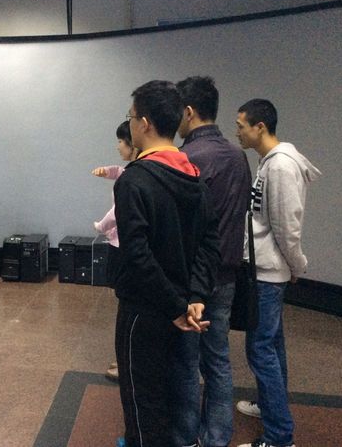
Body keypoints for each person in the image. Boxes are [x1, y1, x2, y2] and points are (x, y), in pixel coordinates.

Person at [114, 80, 221, 447]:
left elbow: (137, 255)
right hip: (183, 308)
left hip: (144, 311)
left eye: (130, 117)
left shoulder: (135, 180)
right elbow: (209, 244)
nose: (130, 124)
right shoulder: (193, 176)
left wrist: (176, 306)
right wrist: (194, 297)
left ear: (144, 123)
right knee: (171, 395)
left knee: (141, 403)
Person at [234, 99, 321, 447]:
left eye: (241, 126)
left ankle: (279, 437)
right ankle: (271, 406)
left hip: (269, 274)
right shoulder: (268, 162)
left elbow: (287, 227)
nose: (237, 132)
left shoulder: (281, 167)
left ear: (260, 127)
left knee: (260, 350)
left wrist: (297, 265)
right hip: (265, 269)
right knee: (271, 345)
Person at [171, 76, 252, 447]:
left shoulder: (186, 158)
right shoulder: (238, 157)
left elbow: (179, 226)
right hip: (227, 275)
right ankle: (217, 438)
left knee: (186, 362)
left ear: (188, 112)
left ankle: (186, 437)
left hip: (192, 280)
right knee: (218, 360)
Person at [91, 121, 139, 381]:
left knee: (127, 309)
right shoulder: (133, 170)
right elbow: (118, 172)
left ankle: (127, 363)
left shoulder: (134, 175)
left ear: (133, 144)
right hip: (125, 246)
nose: (118, 146)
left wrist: (101, 226)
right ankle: (125, 359)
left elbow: (117, 211)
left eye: (121, 142)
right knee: (126, 308)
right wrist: (105, 171)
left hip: (123, 248)